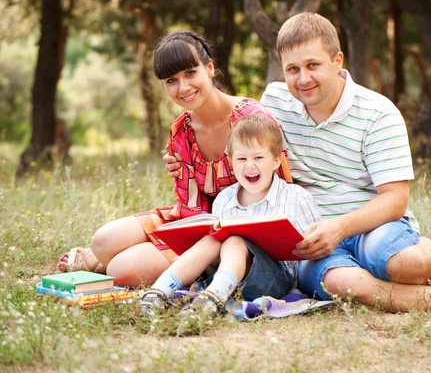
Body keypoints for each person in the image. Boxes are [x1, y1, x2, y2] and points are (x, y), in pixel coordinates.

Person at [165, 13, 431, 317]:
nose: (303, 79)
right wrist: (184, 159)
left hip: (372, 224)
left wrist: (339, 227)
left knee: (408, 263)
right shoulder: (275, 101)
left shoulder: (378, 113)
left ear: (337, 60)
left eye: (313, 65)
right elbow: (243, 148)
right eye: (292, 69)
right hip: (312, 241)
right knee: (346, 285)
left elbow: (395, 201)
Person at [57, 31, 293, 288]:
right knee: (103, 241)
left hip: (239, 237)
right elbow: (190, 207)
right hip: (196, 225)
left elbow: (280, 189)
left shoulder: (250, 118)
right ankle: (105, 256)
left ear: (210, 68)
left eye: (190, 73)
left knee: (119, 270)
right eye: (172, 80)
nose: (183, 88)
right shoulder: (181, 131)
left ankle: (112, 263)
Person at [139, 114, 321, 317]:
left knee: (234, 241)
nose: (249, 166)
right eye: (242, 158)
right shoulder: (224, 199)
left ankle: (213, 300)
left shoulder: (296, 197)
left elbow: (315, 247)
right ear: (231, 160)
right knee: (213, 238)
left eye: (258, 158)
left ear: (276, 160)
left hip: (275, 279)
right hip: (226, 276)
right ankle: (159, 291)